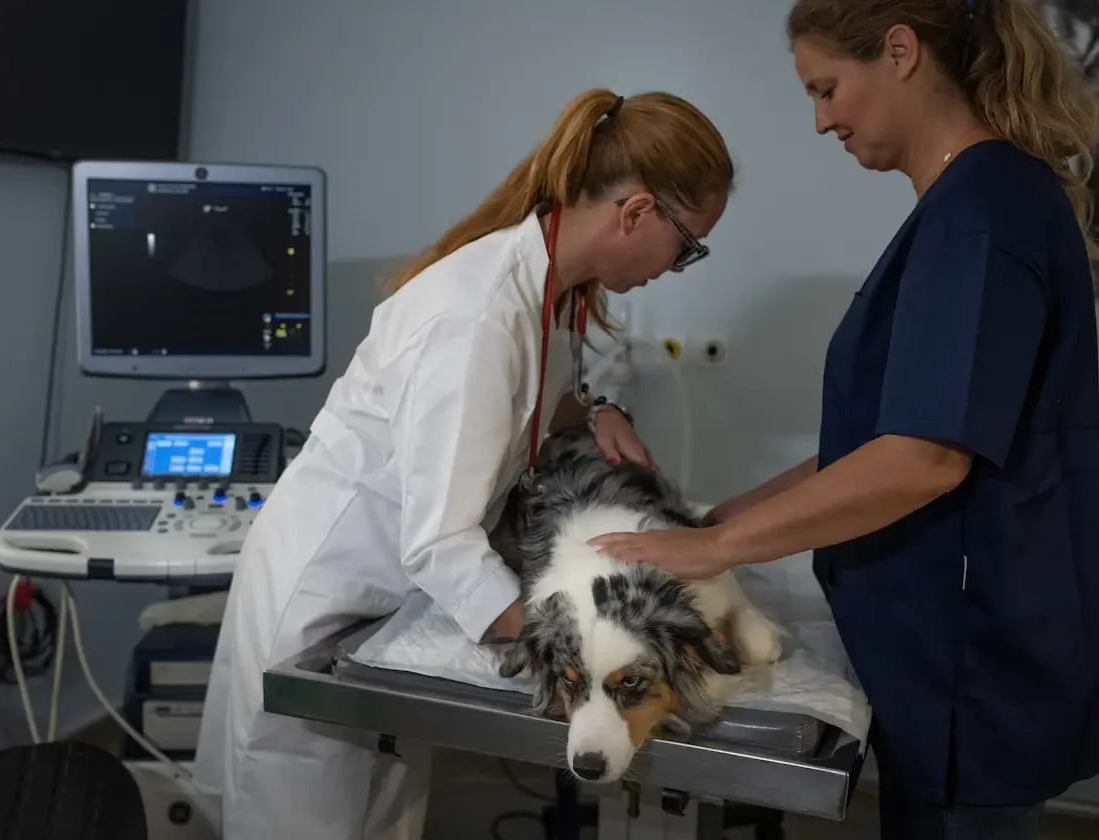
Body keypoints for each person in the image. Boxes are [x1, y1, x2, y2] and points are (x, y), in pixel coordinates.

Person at [590, 1, 1099, 837]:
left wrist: (712, 548)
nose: (821, 120)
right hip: (947, 655)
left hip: (974, 663)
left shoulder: (981, 215)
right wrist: (721, 518)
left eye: (827, 88)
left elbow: (924, 459)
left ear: (900, 53)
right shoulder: (966, 209)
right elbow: (870, 445)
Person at [193, 87, 734, 840]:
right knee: (306, 816)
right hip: (322, 598)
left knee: (380, 814)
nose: (681, 267)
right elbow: (440, 544)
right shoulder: (477, 317)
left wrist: (602, 412)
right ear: (637, 212)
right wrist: (570, 643)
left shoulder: (554, 289)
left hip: (380, 604)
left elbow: (533, 404)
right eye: (690, 244)